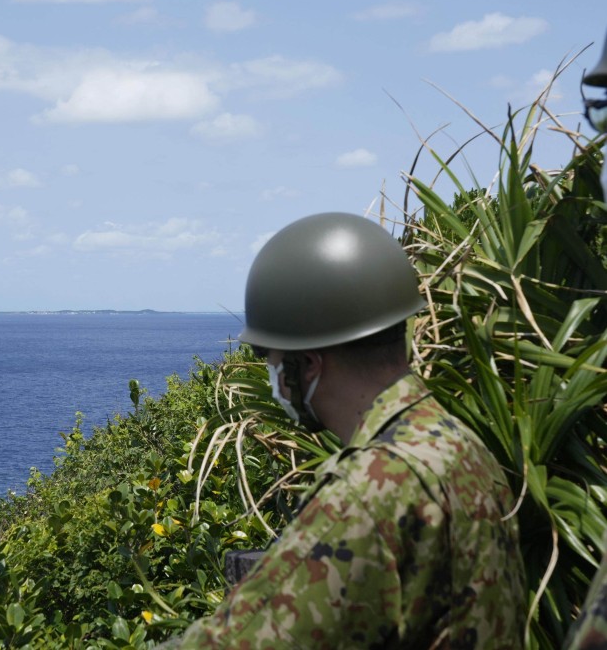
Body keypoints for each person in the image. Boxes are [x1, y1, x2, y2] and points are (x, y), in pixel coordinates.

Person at [178, 212, 525, 648]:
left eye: (270, 356)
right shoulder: (460, 445)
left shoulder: (368, 491)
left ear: (305, 365)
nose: (270, 374)